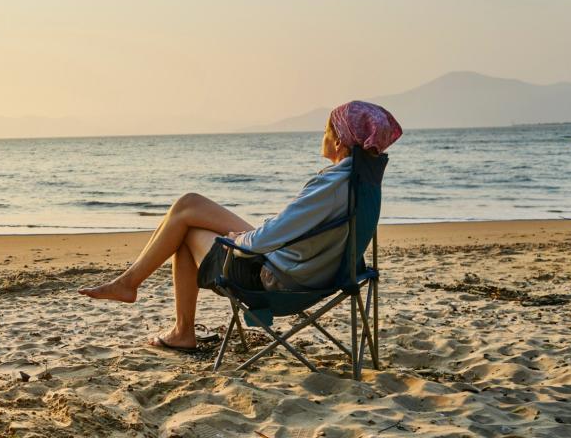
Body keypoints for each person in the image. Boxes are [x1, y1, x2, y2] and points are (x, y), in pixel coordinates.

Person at [79, 100, 402, 353]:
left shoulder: (332, 184)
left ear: (341, 140)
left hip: (277, 279)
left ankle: (175, 326)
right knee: (188, 204)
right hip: (312, 269)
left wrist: (241, 239)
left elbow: (273, 235)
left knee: (185, 232)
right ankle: (134, 288)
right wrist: (246, 237)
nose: (324, 135)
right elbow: (288, 230)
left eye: (328, 129)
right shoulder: (360, 181)